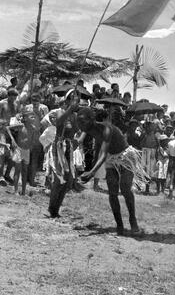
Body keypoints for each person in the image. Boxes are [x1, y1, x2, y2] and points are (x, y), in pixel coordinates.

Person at [77, 107, 148, 236]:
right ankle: (119, 225)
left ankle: (133, 220)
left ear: (92, 119)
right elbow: (99, 151)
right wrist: (92, 168)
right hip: (111, 158)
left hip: (125, 156)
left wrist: (92, 173)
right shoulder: (89, 129)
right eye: (79, 122)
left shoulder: (107, 129)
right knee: (112, 193)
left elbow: (102, 154)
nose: (80, 124)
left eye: (82, 121)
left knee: (125, 189)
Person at [47, 90, 80, 218]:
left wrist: (78, 140)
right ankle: (52, 208)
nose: (76, 103)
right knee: (58, 179)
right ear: (67, 101)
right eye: (73, 100)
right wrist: (69, 110)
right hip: (58, 147)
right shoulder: (60, 112)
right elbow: (59, 123)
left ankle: (57, 208)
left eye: (77, 101)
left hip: (68, 148)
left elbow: (78, 130)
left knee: (67, 180)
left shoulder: (74, 116)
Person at [9, 111, 38, 195]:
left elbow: (33, 138)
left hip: (27, 150)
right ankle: (15, 190)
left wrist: (31, 145)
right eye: (31, 117)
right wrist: (13, 140)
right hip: (19, 149)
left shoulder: (33, 128)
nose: (33, 118)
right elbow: (8, 128)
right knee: (17, 170)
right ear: (25, 118)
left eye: (34, 117)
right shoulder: (21, 126)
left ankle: (24, 191)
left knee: (25, 171)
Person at [140, 120, 158, 195]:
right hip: (145, 152)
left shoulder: (155, 135)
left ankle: (148, 188)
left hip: (152, 153)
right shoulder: (144, 134)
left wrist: (154, 153)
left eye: (151, 126)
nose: (149, 128)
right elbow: (140, 144)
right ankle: (143, 187)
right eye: (148, 126)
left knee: (150, 171)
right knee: (144, 170)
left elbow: (157, 145)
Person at [0, 119, 11, 187]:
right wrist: (5, 144)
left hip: (2, 150)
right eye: (4, 125)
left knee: (1, 165)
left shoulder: (3, 133)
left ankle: (0, 178)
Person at [167, 128, 175, 199]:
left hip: (171, 160)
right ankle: (171, 194)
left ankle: (170, 193)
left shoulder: (170, 142)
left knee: (171, 177)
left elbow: (169, 152)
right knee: (174, 178)